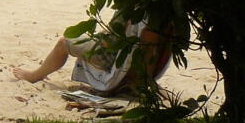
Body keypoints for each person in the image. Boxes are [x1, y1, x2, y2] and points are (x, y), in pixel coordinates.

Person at [12, 20, 170, 92]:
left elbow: (108, 42)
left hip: (112, 56)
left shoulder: (133, 5)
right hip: (127, 57)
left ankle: (34, 75)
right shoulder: (161, 14)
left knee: (64, 43)